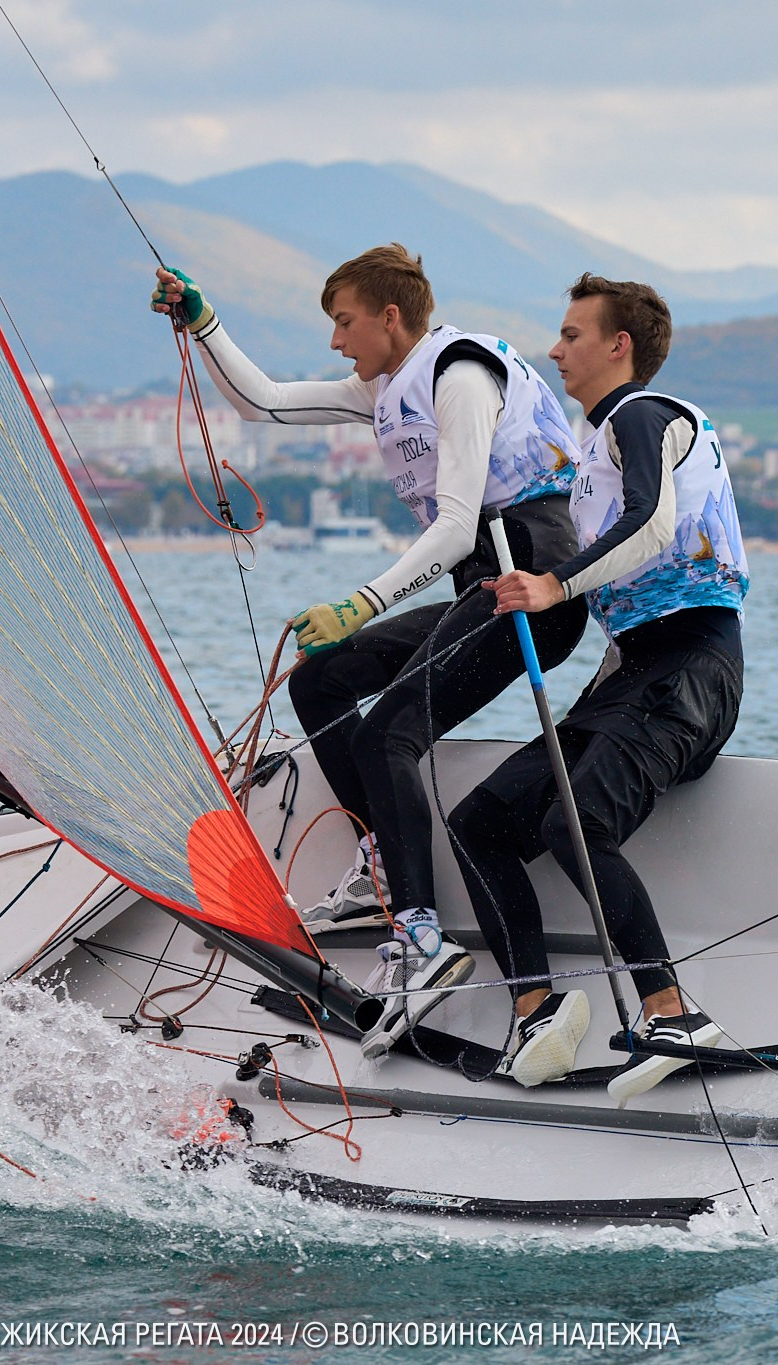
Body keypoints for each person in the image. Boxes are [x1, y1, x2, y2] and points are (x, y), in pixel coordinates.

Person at [150, 246, 587, 1058]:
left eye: (344, 322)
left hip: (532, 585)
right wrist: (204, 325)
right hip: (480, 587)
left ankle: (422, 938)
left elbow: (457, 524)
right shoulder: (388, 385)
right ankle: (382, 864)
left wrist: (362, 601)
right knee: (323, 680)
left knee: (390, 729)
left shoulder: (457, 376)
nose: (335, 342)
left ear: (391, 317)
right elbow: (267, 403)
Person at [447, 273, 749, 1099]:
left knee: (574, 821)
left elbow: (650, 525)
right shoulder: (594, 446)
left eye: (572, 334)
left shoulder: (640, 415)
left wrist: (553, 585)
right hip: (630, 674)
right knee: (481, 820)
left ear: (619, 346)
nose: (555, 348)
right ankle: (539, 1011)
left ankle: (672, 1011)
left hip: (691, 668)